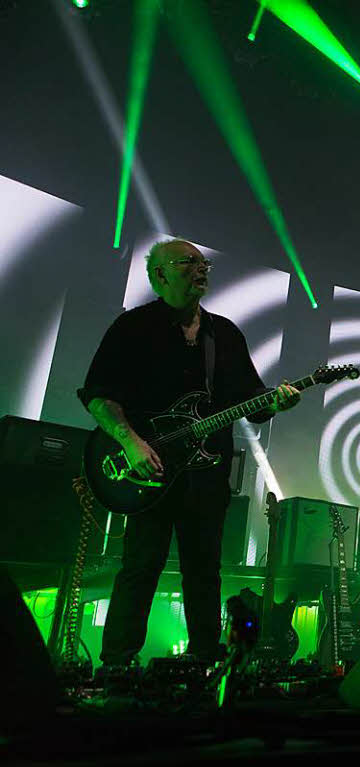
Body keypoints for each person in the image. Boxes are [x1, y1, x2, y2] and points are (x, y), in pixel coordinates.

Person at [78, 239, 300, 669]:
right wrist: (131, 443)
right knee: (142, 565)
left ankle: (203, 663)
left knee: (205, 571)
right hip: (148, 469)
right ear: (159, 275)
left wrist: (274, 401)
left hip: (207, 473)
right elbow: (99, 396)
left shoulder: (225, 335)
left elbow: (250, 399)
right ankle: (117, 667)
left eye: (204, 263)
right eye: (188, 262)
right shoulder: (133, 328)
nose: (201, 269)